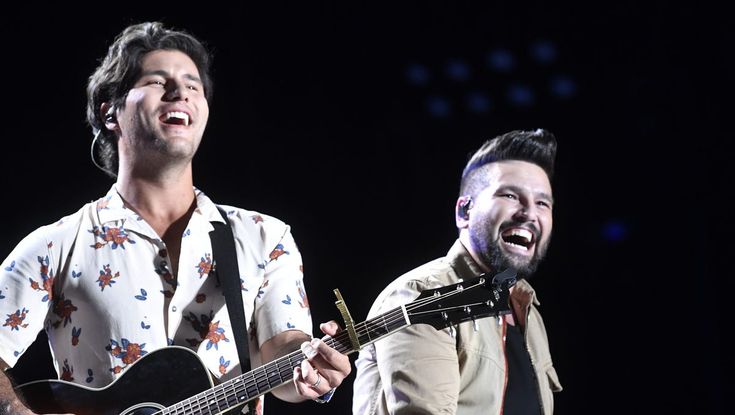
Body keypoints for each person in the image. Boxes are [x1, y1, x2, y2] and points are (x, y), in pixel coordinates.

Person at [0, 21, 349, 414]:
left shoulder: (265, 237)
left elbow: (282, 351)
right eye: (156, 80)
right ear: (110, 112)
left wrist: (310, 368)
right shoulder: (57, 245)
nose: (180, 91)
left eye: (193, 84)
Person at [352, 129, 563, 414]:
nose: (529, 212)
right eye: (511, 195)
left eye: (542, 203)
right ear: (464, 211)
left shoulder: (527, 310)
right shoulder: (420, 295)